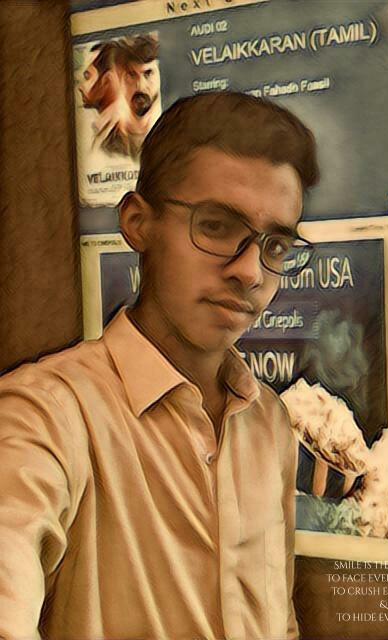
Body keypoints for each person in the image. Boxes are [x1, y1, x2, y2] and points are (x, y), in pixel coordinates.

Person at [0, 92, 319, 639]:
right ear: (138, 223)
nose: (250, 272)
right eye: (216, 226)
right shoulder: (46, 416)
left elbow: (276, 621)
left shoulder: (268, 421)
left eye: (275, 247)